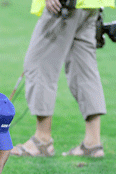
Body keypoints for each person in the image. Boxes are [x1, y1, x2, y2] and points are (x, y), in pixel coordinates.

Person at [11, 0, 115, 157]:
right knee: (84, 70)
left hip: (64, 5)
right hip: (91, 4)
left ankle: (42, 141)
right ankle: (93, 143)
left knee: (39, 65)